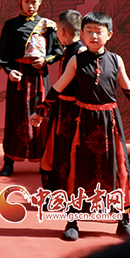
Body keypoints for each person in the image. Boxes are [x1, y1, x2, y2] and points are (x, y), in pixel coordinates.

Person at [30, 12, 130, 241]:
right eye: (89, 31)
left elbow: (128, 89)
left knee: (118, 170)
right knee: (77, 170)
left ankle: (123, 221)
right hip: (83, 121)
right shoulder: (76, 60)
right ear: (82, 34)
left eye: (99, 31)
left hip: (110, 122)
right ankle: (72, 221)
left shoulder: (116, 60)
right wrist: (40, 112)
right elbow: (58, 87)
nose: (94, 36)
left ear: (109, 34)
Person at [0, 0, 62, 176]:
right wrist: (9, 71)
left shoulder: (48, 25)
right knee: (14, 117)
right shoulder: (11, 25)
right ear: (20, 1)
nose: (30, 6)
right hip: (18, 78)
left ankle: (44, 162)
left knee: (41, 115)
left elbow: (58, 52)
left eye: (34, 2)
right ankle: (8, 161)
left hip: (39, 77)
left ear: (41, 2)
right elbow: (2, 55)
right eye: (26, 1)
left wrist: (46, 60)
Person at [39, 10, 85, 191]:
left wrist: (42, 109)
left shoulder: (79, 53)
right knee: (56, 151)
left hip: (73, 111)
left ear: (62, 31)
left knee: (67, 152)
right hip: (61, 108)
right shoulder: (70, 51)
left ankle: (66, 193)